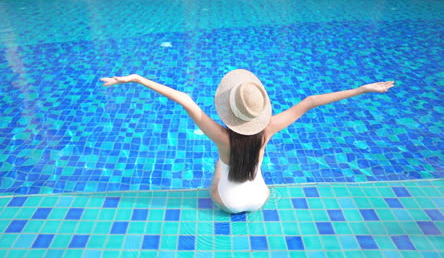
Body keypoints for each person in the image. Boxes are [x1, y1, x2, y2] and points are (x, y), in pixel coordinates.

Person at [101, 69, 394, 213]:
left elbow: (185, 100)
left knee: (219, 165)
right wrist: (363, 89)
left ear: (230, 111)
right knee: (246, 167)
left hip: (226, 203)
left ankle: (221, 187)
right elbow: (311, 101)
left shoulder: (220, 136)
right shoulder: (268, 129)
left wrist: (137, 79)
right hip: (260, 200)